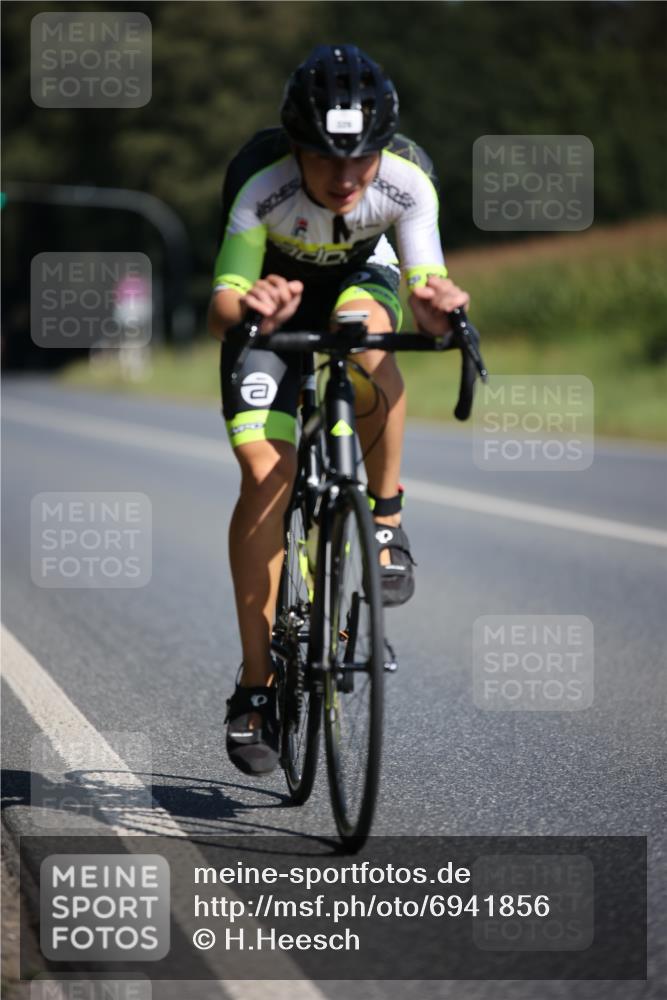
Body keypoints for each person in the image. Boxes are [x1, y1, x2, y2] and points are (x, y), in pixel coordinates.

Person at [208, 44, 470, 776]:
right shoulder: (260, 185)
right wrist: (249, 306)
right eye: (327, 159)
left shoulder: (407, 181)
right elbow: (220, 303)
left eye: (362, 160)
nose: (347, 177)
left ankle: (384, 522)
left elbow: (423, 284)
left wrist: (440, 312)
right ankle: (255, 687)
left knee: (366, 335)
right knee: (266, 476)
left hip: (361, 282)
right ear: (297, 147)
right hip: (271, 308)